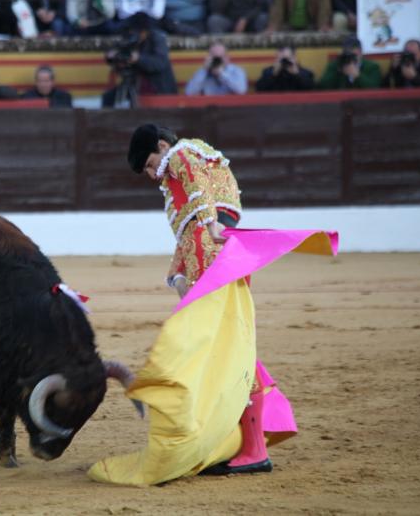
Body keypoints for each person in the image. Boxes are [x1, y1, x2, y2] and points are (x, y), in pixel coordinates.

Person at [124, 123, 297, 476]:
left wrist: (212, 223)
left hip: (212, 252)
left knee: (227, 348)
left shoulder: (181, 154)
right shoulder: (179, 179)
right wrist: (176, 274)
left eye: (148, 164)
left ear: (161, 145)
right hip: (207, 252)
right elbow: (186, 233)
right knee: (224, 348)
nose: (149, 174)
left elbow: (201, 205)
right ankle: (237, 443)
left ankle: (253, 448)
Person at [101, 12, 177, 108]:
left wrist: (139, 59)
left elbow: (160, 63)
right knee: (109, 98)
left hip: (156, 87)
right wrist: (112, 56)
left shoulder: (157, 39)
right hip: (133, 84)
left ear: (145, 32)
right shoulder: (129, 38)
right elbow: (117, 52)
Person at [266, 0, 331, 33]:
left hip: (311, 25)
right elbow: (278, 5)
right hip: (289, 26)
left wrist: (323, 24)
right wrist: (273, 26)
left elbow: (324, 5)